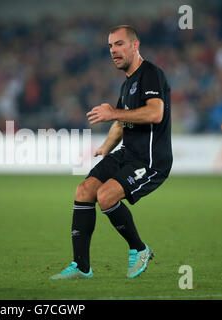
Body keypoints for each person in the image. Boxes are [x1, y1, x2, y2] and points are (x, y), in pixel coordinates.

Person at [50, 25, 173, 279]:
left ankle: (140, 249)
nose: (113, 51)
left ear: (135, 45)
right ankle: (82, 267)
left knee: (106, 196)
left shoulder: (151, 74)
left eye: (119, 44)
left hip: (150, 160)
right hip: (127, 153)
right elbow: (121, 122)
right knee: (84, 191)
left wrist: (113, 113)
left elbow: (155, 113)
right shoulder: (128, 83)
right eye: (110, 46)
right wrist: (107, 146)